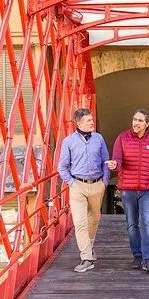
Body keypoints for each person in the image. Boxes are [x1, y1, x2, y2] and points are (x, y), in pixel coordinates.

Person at [106, 109, 149, 273]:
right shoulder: (122, 138)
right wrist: (114, 165)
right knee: (132, 224)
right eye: (134, 119)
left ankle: (148, 259)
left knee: (147, 222)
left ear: (147, 124)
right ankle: (137, 256)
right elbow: (117, 160)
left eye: (140, 120)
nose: (136, 123)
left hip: (148, 189)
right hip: (128, 189)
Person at [58, 108, 111, 273]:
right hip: (77, 185)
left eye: (92, 120)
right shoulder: (68, 142)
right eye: (88, 120)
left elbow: (105, 160)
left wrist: (105, 182)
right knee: (80, 222)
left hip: (97, 184)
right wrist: (71, 183)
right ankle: (86, 258)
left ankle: (89, 246)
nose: (92, 122)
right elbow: (62, 167)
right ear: (79, 123)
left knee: (94, 219)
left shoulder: (99, 139)